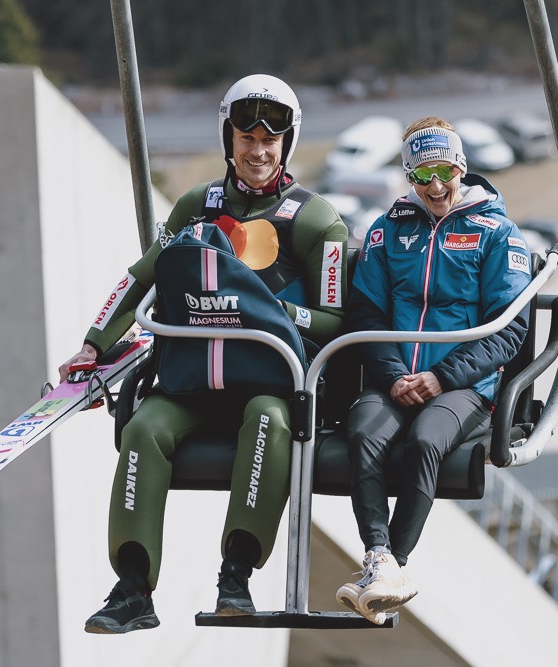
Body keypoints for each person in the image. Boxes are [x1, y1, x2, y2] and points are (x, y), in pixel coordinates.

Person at [58, 74, 349, 634]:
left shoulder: (317, 220)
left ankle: (235, 578)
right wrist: (94, 344)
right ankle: (132, 591)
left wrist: (268, 310)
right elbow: (141, 277)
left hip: (267, 383)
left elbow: (336, 321)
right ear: (228, 140)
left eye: (270, 141)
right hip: (193, 379)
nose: (258, 152)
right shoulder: (196, 207)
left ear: (287, 144)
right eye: (246, 139)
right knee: (144, 427)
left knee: (268, 421)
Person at [335, 116, 532, 624]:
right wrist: (393, 375)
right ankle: (378, 559)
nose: (436, 185)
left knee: (426, 440)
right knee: (364, 432)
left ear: (461, 167)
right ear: (409, 178)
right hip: (396, 376)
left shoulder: (497, 233)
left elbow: (508, 330)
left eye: (445, 171)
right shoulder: (387, 231)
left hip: (463, 385)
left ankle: (394, 565)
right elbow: (366, 314)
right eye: (423, 175)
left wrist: (441, 377)